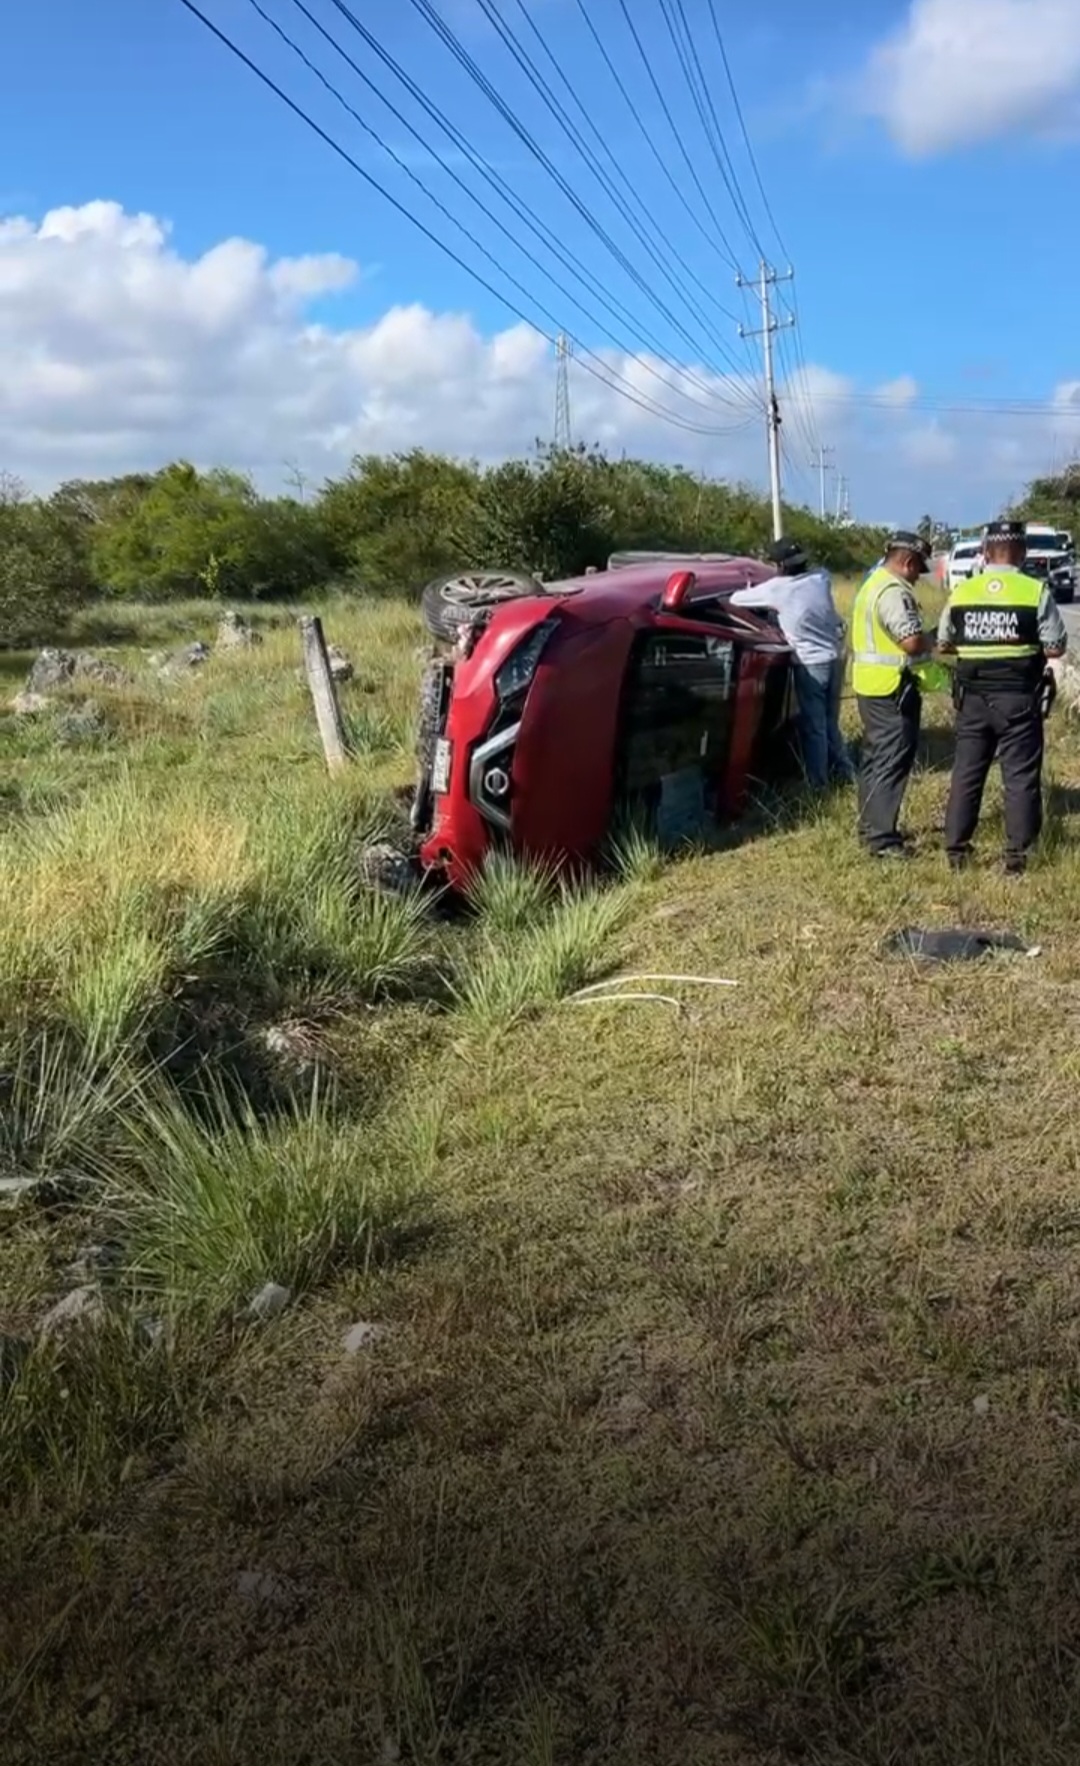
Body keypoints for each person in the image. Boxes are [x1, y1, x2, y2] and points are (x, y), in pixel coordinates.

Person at [937, 517, 1067, 874]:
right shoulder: (1034, 591)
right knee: (1020, 777)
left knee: (966, 774)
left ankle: (956, 852)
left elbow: (945, 642)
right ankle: (1017, 858)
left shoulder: (963, 592)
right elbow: (1055, 647)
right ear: (1021, 552)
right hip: (1019, 700)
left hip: (972, 700)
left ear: (984, 552)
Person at [729, 537, 854, 788]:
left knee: (814, 726)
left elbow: (735, 599)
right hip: (836, 657)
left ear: (780, 567)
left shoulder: (777, 589)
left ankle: (819, 783)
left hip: (810, 663)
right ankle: (846, 771)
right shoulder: (821, 578)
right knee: (830, 721)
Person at [850, 530, 937, 858]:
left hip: (871, 685)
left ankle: (870, 828)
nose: (917, 578)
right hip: (892, 688)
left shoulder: (871, 584)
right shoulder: (892, 591)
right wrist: (936, 638)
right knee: (890, 760)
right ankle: (882, 840)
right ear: (908, 561)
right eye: (918, 570)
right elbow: (911, 641)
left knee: (874, 759)